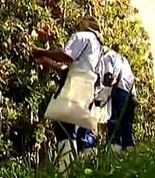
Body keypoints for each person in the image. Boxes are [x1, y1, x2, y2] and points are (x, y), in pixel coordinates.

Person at [33, 16, 104, 170]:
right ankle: (89, 169)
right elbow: (73, 67)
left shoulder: (82, 36)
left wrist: (42, 52)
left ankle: (65, 169)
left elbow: (66, 56)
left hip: (76, 84)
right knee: (84, 129)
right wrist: (48, 62)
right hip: (88, 87)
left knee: (65, 126)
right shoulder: (98, 47)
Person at [98, 44, 137, 152]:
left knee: (114, 121)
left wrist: (104, 93)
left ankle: (115, 149)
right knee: (127, 123)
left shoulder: (107, 56)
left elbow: (109, 76)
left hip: (119, 91)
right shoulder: (123, 59)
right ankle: (129, 148)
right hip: (131, 93)